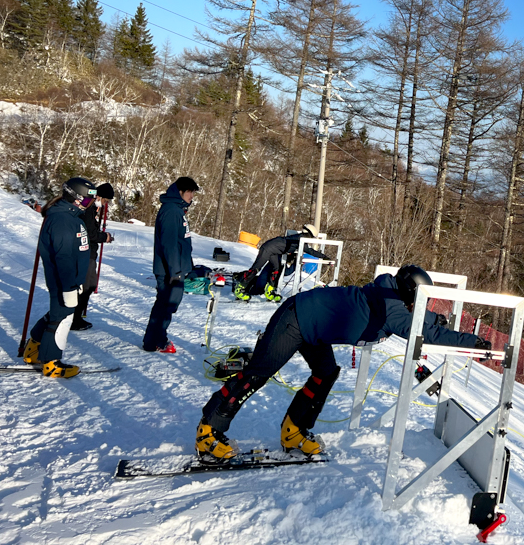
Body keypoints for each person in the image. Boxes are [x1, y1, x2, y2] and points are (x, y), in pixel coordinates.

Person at [196, 264, 493, 462]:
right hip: (296, 319)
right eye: (420, 301)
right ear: (408, 295)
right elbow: (421, 329)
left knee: (326, 372)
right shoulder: (393, 307)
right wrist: (471, 342)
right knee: (258, 374)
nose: (421, 308)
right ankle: (208, 430)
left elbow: (421, 317)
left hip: (315, 328)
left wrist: (436, 317)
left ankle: (294, 430)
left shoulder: (393, 297)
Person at [21, 177, 98, 377]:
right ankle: (51, 362)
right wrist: (69, 286)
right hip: (64, 279)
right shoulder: (63, 220)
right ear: (76, 198)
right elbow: (63, 256)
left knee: (57, 313)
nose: (91, 204)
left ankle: (34, 348)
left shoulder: (70, 216)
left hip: (71, 278)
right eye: (88, 200)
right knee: (62, 319)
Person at [142, 177, 198, 353]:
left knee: (168, 305)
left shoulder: (177, 210)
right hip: (170, 271)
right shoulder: (172, 211)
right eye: (189, 192)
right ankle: (156, 340)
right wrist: (175, 271)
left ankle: (156, 339)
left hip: (177, 268)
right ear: (180, 192)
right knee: (165, 306)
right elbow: (169, 244)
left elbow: (181, 242)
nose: (192, 196)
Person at [233, 224, 333, 303]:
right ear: (309, 235)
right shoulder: (300, 239)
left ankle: (269, 290)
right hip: (267, 249)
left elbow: (304, 248)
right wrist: (324, 257)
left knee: (276, 269)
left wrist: (324, 258)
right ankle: (240, 288)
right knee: (256, 268)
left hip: (275, 251)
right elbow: (310, 251)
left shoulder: (299, 239)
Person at [72, 183, 115, 331]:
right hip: (85, 253)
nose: (105, 204)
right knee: (86, 287)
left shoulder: (91, 210)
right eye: (105, 200)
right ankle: (74, 318)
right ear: (98, 196)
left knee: (90, 286)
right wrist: (105, 237)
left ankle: (76, 316)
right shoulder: (87, 210)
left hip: (90, 253)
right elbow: (91, 234)